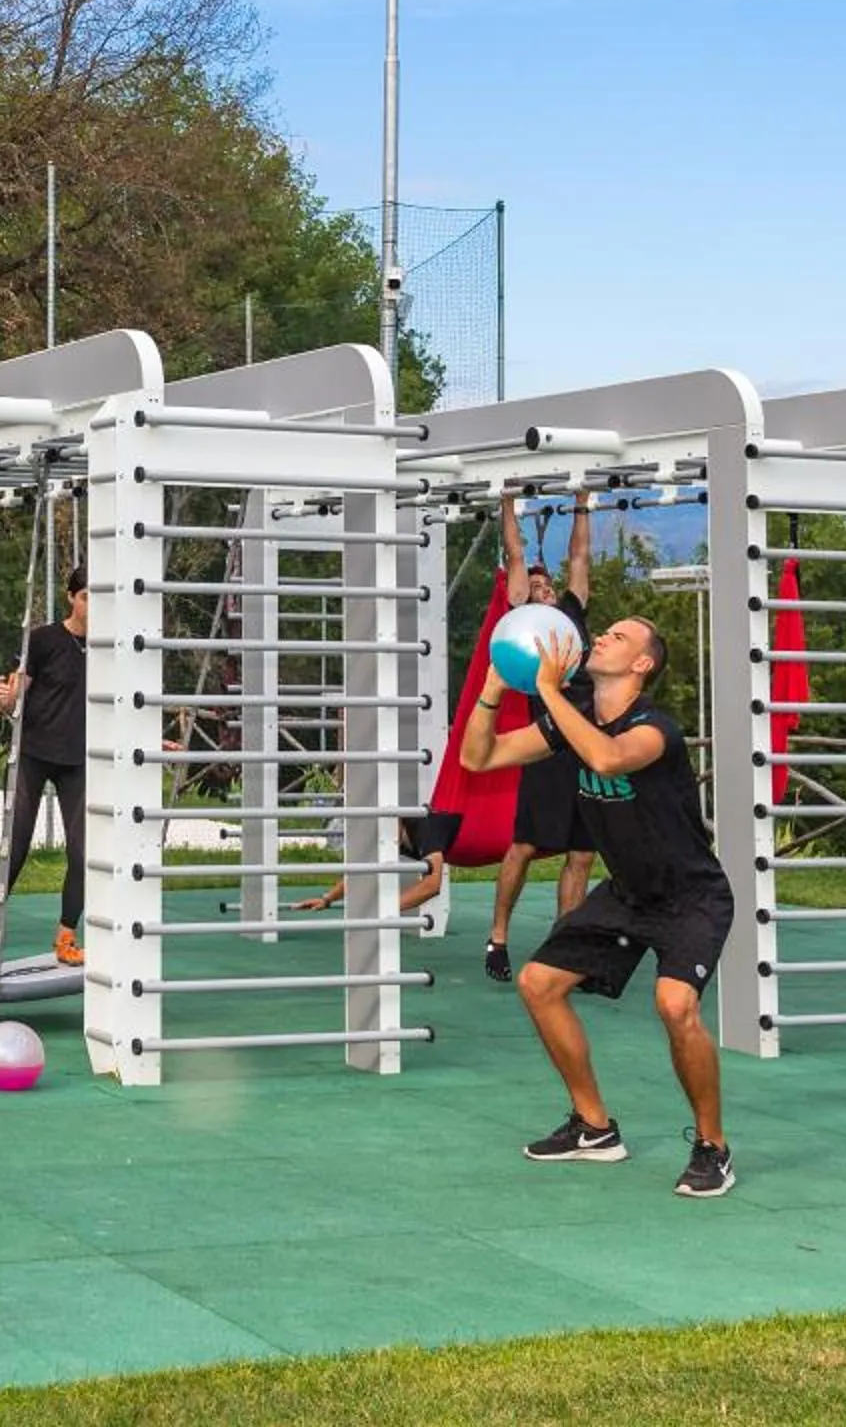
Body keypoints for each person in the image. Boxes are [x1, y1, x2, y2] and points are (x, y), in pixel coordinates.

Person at [459, 612, 736, 1200]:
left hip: (691, 896)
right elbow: (479, 758)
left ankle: (712, 1146)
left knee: (674, 1005)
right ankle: (594, 1128)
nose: (601, 636)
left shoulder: (655, 728)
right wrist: (492, 687)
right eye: (603, 630)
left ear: (643, 664)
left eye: (618, 636)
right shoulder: (575, 718)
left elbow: (608, 758)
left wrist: (550, 691)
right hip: (627, 894)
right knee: (537, 982)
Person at [483, 490, 597, 982]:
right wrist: (507, 501)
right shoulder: (521, 624)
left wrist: (582, 499)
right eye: (532, 586)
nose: (542, 589)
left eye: (544, 585)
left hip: (588, 745)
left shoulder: (572, 613)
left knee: (582, 853)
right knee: (525, 846)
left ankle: (565, 947)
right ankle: (499, 937)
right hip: (548, 743)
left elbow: (579, 556)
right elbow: (514, 554)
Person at [0, 563, 89, 982]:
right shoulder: (44, 639)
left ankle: (66, 939)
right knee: (12, 852)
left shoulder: (110, 646)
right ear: (71, 597)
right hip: (33, 755)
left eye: (100, 598)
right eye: (87, 596)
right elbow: (15, 695)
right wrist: (5, 699)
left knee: (84, 854)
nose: (92, 606)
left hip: (78, 762)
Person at [291, 808, 456, 918]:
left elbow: (432, 885)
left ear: (396, 818)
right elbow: (361, 871)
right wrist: (327, 899)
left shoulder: (425, 826)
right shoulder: (389, 837)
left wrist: (386, 910)